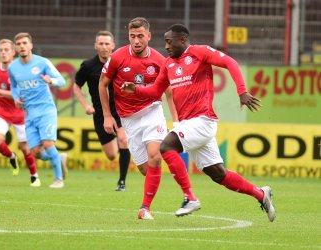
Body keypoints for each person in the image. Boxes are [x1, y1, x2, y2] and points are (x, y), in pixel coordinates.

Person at [123, 24, 275, 222]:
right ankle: (261, 194)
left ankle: (189, 197)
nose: (166, 46)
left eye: (170, 42)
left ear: (183, 40)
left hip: (203, 120)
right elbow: (155, 91)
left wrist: (242, 91)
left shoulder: (199, 53)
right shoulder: (168, 64)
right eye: (165, 42)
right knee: (219, 174)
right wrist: (136, 90)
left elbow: (230, 62)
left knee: (167, 146)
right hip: (189, 125)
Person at [99, 17, 179, 220]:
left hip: (152, 111)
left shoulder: (160, 61)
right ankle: (150, 200)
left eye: (140, 36)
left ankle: (145, 208)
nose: (136, 41)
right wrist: (108, 116)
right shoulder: (117, 57)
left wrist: (176, 121)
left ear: (149, 36)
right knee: (145, 169)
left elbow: (169, 92)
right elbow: (102, 84)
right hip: (128, 119)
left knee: (155, 156)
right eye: (132, 36)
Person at [73, 31, 132, 192]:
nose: (104, 47)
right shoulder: (88, 66)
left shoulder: (121, 62)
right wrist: (86, 105)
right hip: (100, 114)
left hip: (120, 111)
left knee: (123, 140)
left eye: (107, 43)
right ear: (95, 46)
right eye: (101, 43)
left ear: (113, 45)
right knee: (112, 155)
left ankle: (121, 182)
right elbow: (76, 86)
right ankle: (123, 149)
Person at [9, 32, 67, 188]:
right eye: (19, 44)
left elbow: (62, 81)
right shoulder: (13, 67)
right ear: (15, 47)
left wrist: (51, 80)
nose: (22, 46)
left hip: (46, 110)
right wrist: (16, 98)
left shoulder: (42, 63)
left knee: (48, 143)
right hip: (28, 113)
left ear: (30, 45)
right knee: (35, 152)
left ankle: (58, 179)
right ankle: (58, 158)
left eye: (24, 43)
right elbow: (14, 87)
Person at [0, 39, 39, 185]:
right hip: (2, 112)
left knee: (25, 148)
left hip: (20, 114)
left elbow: (21, 95)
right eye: (1, 50)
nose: (3, 52)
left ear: (13, 52)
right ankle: (11, 156)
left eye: (6, 50)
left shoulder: (21, 70)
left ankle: (34, 176)